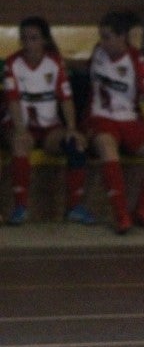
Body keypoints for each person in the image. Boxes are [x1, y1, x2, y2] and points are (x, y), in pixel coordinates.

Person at [86, 10, 144, 235]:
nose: (103, 42)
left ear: (122, 36)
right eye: (101, 36)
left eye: (108, 37)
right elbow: (86, 67)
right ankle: (121, 214)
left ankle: (143, 210)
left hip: (130, 119)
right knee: (108, 147)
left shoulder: (137, 61)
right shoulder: (98, 52)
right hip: (100, 117)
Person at [2, 17, 95, 225]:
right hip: (18, 124)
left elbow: (65, 98)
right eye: (24, 38)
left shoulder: (54, 63)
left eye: (34, 38)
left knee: (77, 144)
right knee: (19, 143)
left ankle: (74, 208)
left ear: (44, 40)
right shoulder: (12, 63)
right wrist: (20, 129)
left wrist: (71, 128)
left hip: (49, 127)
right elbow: (13, 100)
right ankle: (20, 207)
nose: (28, 43)